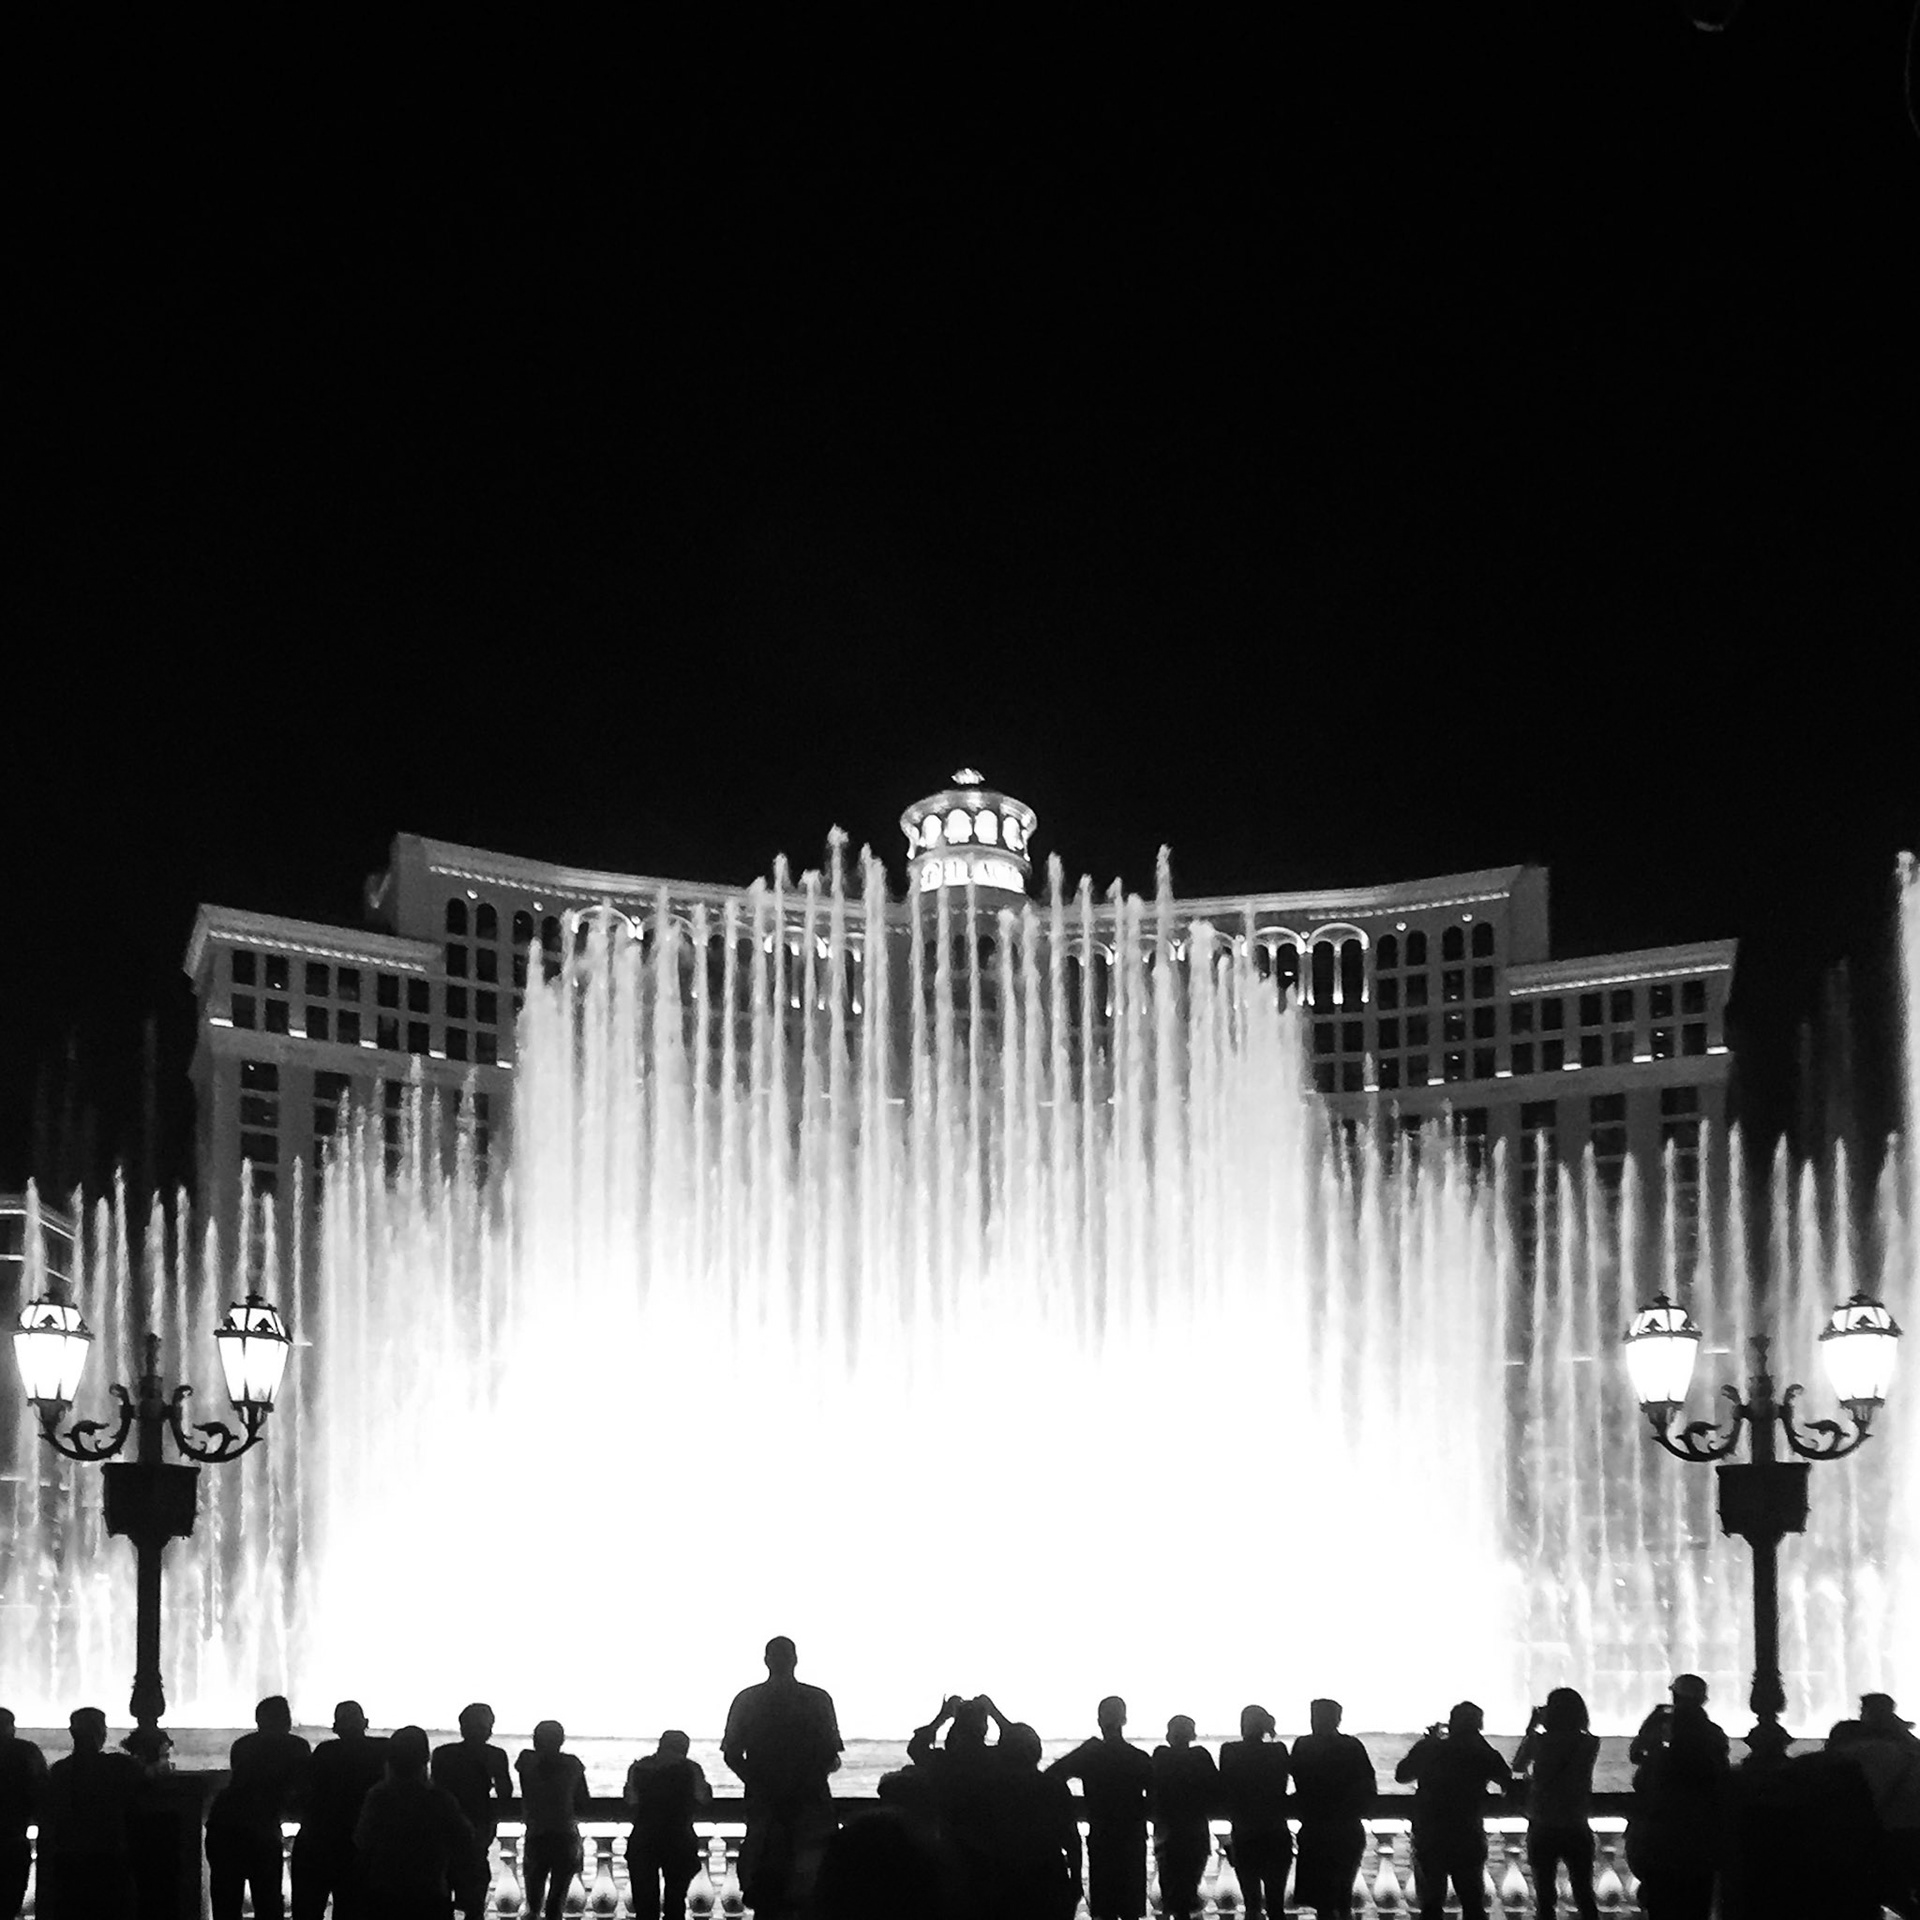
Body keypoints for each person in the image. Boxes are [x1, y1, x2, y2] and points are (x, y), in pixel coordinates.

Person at [721, 1636, 843, 1920]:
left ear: (766, 1660)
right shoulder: (817, 1699)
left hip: (765, 1806)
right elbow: (830, 1753)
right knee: (812, 1882)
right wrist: (806, 1781)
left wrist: (759, 1783)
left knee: (764, 1883)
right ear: (796, 1659)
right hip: (811, 1804)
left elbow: (731, 1754)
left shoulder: (747, 1699)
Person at [1395, 1700, 1511, 1920]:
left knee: (1430, 1904)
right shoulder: (1482, 1752)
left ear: (1451, 1724)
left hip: (1430, 1833)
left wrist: (1427, 1741)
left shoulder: (1430, 1748)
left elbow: (1402, 1775)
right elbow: (1507, 1781)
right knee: (1472, 1902)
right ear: (1478, 1726)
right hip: (1467, 1833)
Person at [1625, 1675, 1727, 1920]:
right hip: (1699, 1846)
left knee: (1662, 1907)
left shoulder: (1660, 1755)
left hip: (1661, 1848)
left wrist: (1650, 1724)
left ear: (1675, 1697)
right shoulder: (1713, 1736)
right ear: (1703, 1699)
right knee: (1696, 1907)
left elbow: (1636, 1756)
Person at [1045, 1695, 1153, 1920]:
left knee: (1105, 1911)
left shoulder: (1090, 1755)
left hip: (1102, 1838)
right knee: (1130, 1911)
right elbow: (1157, 1796)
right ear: (1124, 1720)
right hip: (1131, 1839)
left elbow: (1052, 1776)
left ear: (1099, 1721)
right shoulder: (1138, 1758)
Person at [354, 1725, 475, 1920]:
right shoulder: (440, 1799)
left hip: (385, 1891)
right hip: (430, 1890)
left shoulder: (378, 1797)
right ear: (425, 1758)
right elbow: (464, 1839)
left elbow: (363, 1840)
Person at [207, 1695, 310, 1920]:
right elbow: (300, 1788)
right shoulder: (296, 1746)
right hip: (260, 1828)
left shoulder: (243, 1745)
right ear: (287, 1720)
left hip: (222, 1823)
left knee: (226, 1901)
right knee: (268, 1901)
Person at [36, 1706, 142, 1918]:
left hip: (69, 1860)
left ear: (72, 1733)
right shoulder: (117, 1766)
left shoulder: (60, 1771)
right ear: (101, 1732)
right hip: (108, 1858)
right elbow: (143, 1780)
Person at [291, 1700, 389, 1920]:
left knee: (308, 1908)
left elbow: (306, 1791)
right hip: (357, 1845)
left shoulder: (325, 1752)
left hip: (319, 1841)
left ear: (336, 1728)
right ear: (365, 1723)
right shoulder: (382, 1750)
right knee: (351, 1908)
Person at [1512, 1688, 1599, 1920]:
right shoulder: (1589, 1743)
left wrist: (1532, 1727)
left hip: (1543, 1823)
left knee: (1544, 1896)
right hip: (1576, 1823)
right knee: (1584, 1893)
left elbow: (1518, 1765)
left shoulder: (1538, 1741)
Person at [1289, 1698, 1374, 1918]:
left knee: (1323, 1902)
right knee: (1343, 1894)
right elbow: (1368, 1786)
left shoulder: (1303, 1745)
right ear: (1338, 1719)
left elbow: (1297, 1778)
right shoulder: (1352, 1746)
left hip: (1315, 1829)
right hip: (1346, 1830)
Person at [1838, 1693, 1920, 1918]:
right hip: (1911, 1828)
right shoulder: (1910, 1748)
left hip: (1886, 1832)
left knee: (1884, 1890)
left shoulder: (1861, 1751)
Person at [432, 1702, 514, 1917]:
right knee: (474, 1903)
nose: (488, 1730)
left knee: (442, 1899)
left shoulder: (443, 1754)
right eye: (486, 1725)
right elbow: (505, 1792)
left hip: (446, 1834)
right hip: (474, 1832)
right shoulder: (495, 1755)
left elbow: (434, 1792)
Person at [995, 1721, 1083, 1920]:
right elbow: (1071, 1839)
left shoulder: (995, 1791)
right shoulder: (1053, 1787)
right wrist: (1076, 1880)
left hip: (1007, 1879)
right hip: (1049, 1876)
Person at [624, 1729, 711, 1920]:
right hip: (678, 1837)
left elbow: (631, 1801)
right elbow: (703, 1798)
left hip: (644, 1837)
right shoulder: (691, 1769)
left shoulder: (639, 1768)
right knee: (675, 1899)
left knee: (645, 1901)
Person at [1217, 1704, 1290, 1920]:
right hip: (1275, 1831)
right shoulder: (1278, 1750)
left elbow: (1224, 1787)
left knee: (1252, 1905)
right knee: (1276, 1906)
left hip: (1245, 1833)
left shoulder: (1230, 1750)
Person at [515, 1719, 589, 1920]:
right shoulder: (572, 1764)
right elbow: (583, 1800)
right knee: (557, 1900)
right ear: (561, 1740)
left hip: (537, 1834)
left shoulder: (526, 1760)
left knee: (533, 1901)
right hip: (565, 1834)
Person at [1150, 1716, 1219, 1920]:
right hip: (1194, 1834)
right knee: (1188, 1892)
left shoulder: (1161, 1756)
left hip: (1168, 1836)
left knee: (1171, 1896)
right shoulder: (1200, 1757)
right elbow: (1216, 1789)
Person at [0, 1711, 47, 1920]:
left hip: (13, 1837)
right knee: (9, 1901)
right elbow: (41, 1789)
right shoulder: (26, 1751)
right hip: (13, 1839)